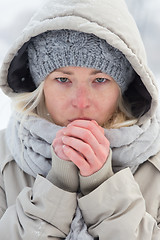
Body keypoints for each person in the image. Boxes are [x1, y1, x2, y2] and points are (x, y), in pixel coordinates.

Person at [0, 0, 160, 239]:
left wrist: (103, 187)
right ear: (40, 86)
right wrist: (56, 189)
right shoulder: (4, 155)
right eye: (63, 80)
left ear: (123, 88)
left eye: (100, 80)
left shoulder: (155, 164)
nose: (82, 102)